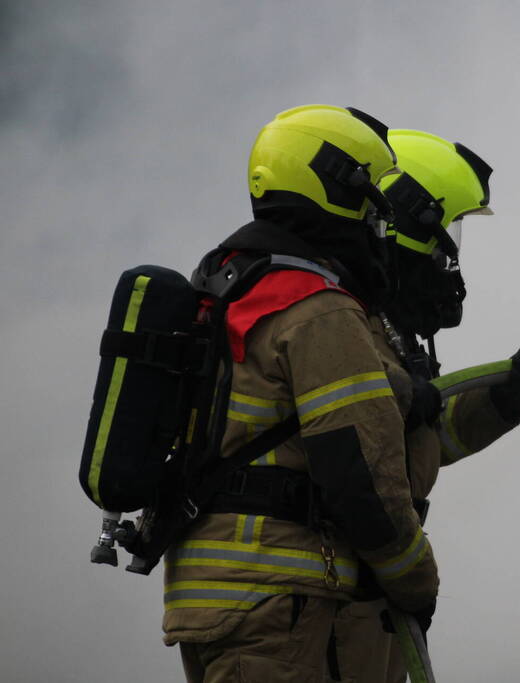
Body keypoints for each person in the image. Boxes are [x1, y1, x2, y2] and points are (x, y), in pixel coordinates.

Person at [162, 104, 442, 682]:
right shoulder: (318, 308)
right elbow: (361, 472)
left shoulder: (229, 289)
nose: (375, 224)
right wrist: (415, 580)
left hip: (215, 599)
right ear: (335, 190)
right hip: (282, 602)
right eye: (369, 205)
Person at [327, 129, 520, 682]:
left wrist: (498, 402)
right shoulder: (345, 324)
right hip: (325, 602)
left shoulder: (386, 331)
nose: (449, 255)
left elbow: (413, 443)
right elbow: (361, 458)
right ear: (410, 223)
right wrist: (413, 577)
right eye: (446, 233)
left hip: (362, 602)